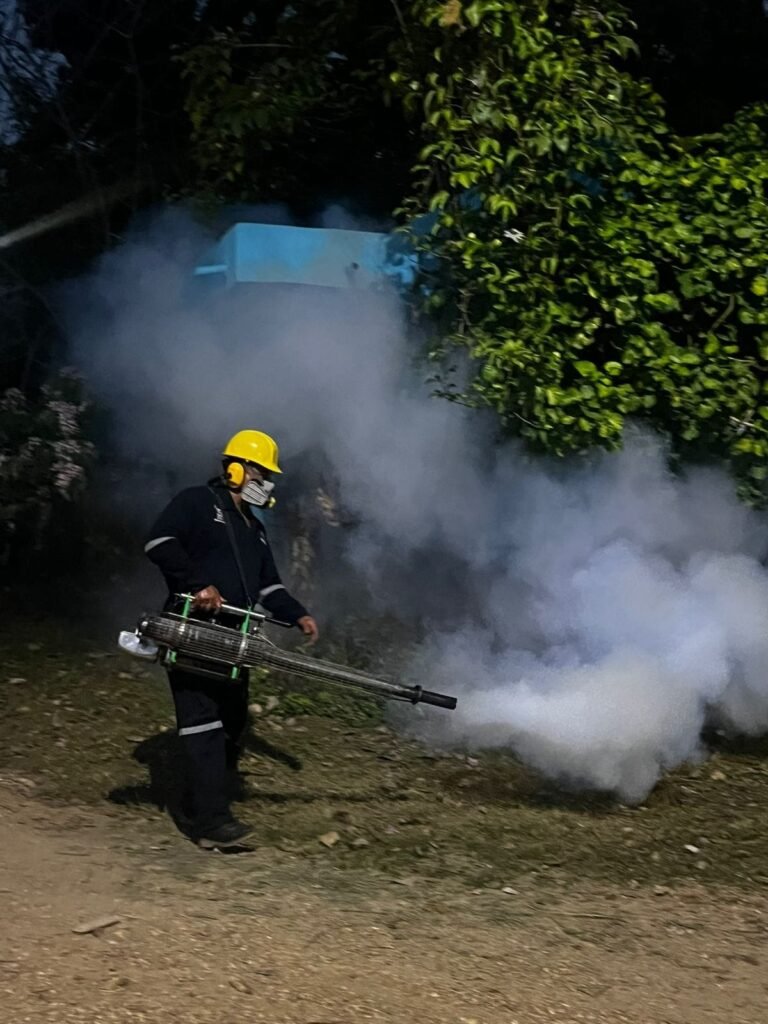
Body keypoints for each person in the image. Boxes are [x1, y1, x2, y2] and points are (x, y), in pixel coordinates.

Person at [143, 429, 319, 849]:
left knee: (232, 721)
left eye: (268, 476)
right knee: (202, 721)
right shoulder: (196, 503)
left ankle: (201, 799)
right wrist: (196, 584)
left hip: (233, 642)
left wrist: (297, 614)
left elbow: (269, 587)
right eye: (261, 473)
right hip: (193, 631)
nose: (266, 483)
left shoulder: (254, 529)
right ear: (237, 469)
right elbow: (158, 542)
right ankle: (211, 823)